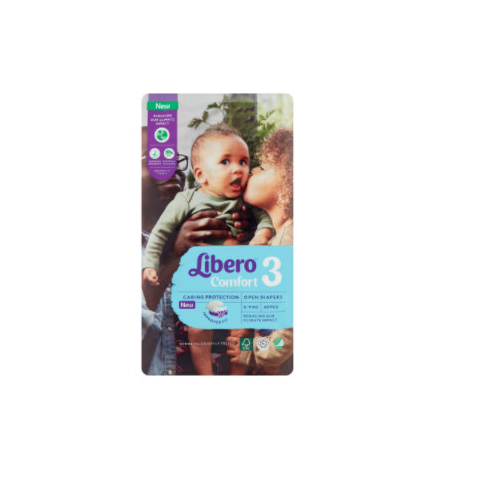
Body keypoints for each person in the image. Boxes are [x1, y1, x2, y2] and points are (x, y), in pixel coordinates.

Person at [143, 123, 274, 375]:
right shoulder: (188, 201)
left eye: (244, 162)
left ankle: (238, 374)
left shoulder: (245, 201)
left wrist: (260, 234)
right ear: (202, 176)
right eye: (225, 161)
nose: (238, 168)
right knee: (198, 327)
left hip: (238, 280)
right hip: (204, 283)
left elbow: (266, 219)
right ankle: (207, 375)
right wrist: (153, 265)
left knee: (243, 331)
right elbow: (160, 234)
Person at [226, 128, 294, 374]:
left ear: (289, 183)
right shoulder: (278, 236)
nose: (252, 170)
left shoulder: (289, 239)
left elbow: (287, 334)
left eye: (263, 167)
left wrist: (250, 352)